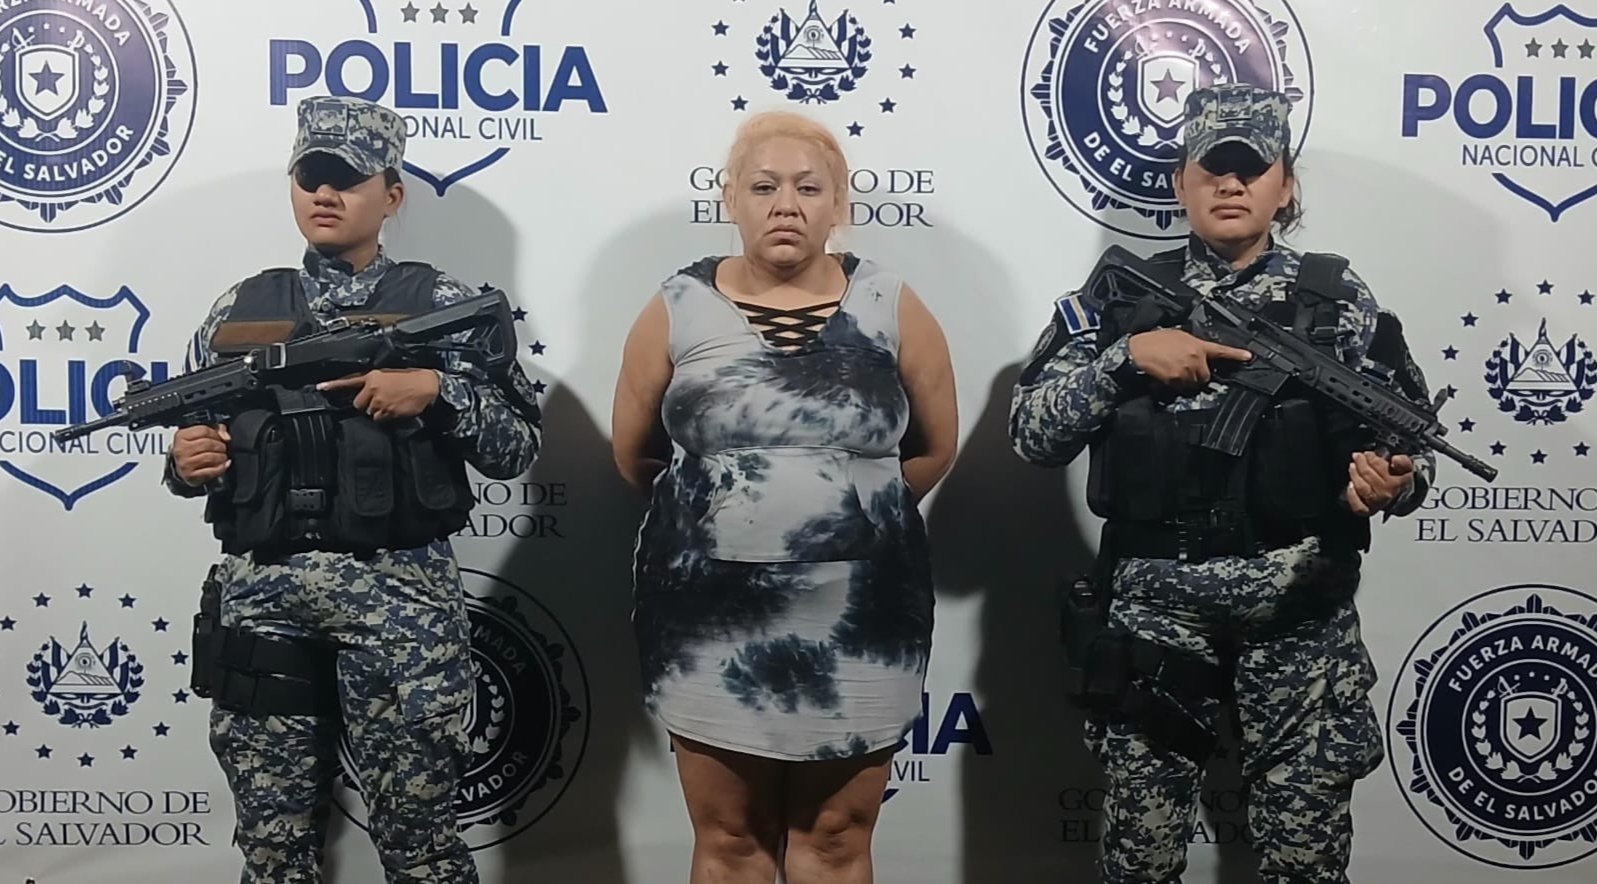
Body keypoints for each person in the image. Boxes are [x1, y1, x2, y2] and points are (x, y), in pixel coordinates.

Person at [1010, 83, 1436, 883]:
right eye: (1212, 167)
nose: (1231, 184)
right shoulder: (1120, 298)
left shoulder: (1338, 300)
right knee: (1139, 866)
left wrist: (1389, 484)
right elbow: (1031, 434)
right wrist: (1123, 361)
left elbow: (1408, 449)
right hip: (1155, 613)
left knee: (1305, 866)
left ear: (1286, 185)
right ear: (1179, 181)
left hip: (1299, 612)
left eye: (1252, 168)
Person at [164, 95, 542, 884]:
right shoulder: (238, 311)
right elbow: (196, 446)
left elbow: (516, 449)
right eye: (310, 177)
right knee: (273, 853)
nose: (325, 194)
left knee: (421, 849)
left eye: (347, 178)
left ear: (391, 195)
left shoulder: (442, 305)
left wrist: (438, 391)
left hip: (399, 604)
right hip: (262, 601)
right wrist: (186, 459)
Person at [611, 110, 958, 884]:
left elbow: (933, 447)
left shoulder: (892, 303)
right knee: (729, 840)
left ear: (839, 204)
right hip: (705, 617)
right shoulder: (676, 305)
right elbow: (635, 454)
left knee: (835, 838)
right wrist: (714, 519)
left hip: (863, 617)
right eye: (764, 187)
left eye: (808, 188)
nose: (786, 205)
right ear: (730, 199)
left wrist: (849, 514)